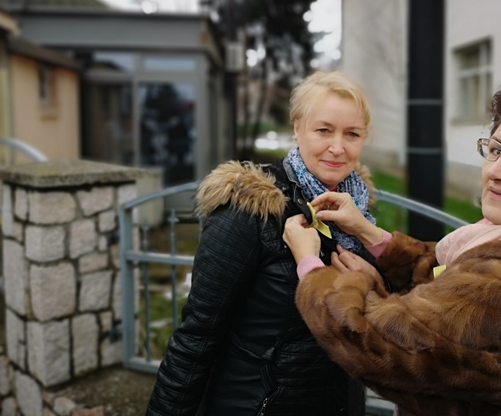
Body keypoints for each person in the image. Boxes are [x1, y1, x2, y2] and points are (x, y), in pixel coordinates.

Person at [284, 71, 501, 416]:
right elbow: (453, 279)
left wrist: (312, 266)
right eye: (496, 150)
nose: (496, 171)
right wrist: (371, 234)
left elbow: (374, 340)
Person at [145, 71, 393, 416]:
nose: (338, 147)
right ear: (297, 127)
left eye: (352, 133)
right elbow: (197, 336)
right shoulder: (251, 210)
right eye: (324, 130)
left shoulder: (358, 211)